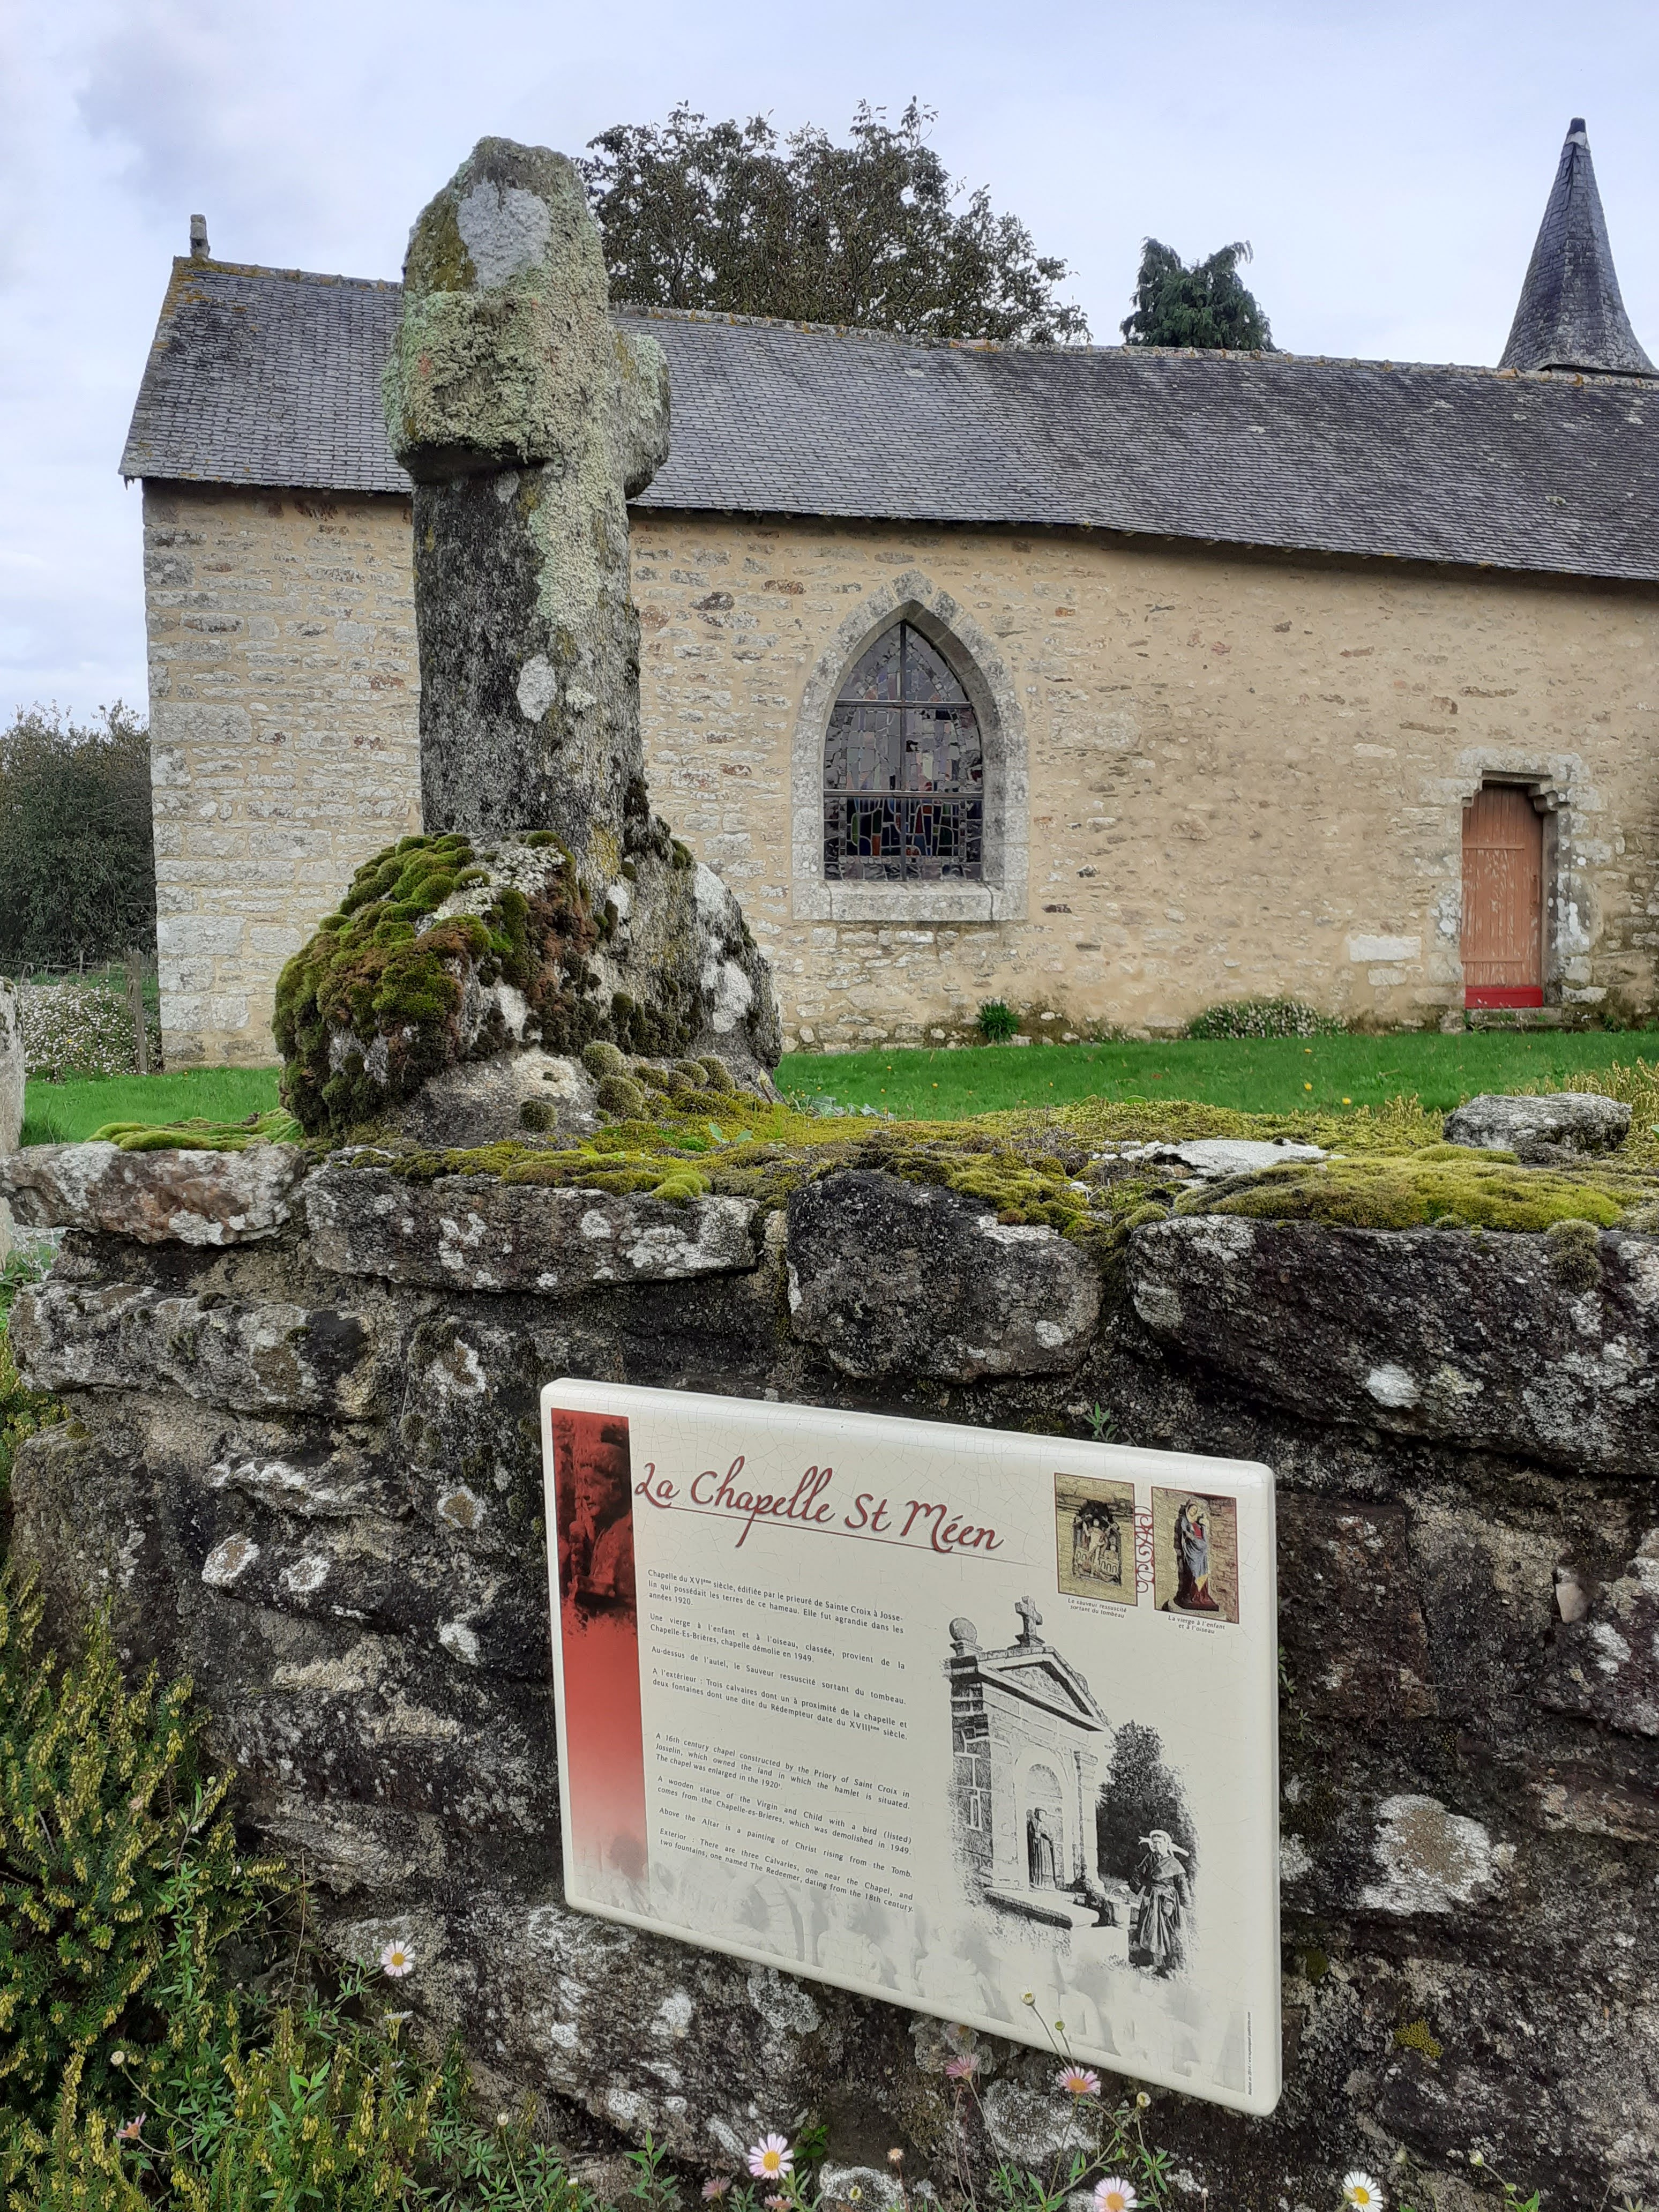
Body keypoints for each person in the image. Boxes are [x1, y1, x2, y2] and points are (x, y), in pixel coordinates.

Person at [1129, 1828, 1191, 1975]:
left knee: (1163, 1932)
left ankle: (1163, 1964)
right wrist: (1131, 1886)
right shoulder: (1150, 1858)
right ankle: (1149, 1961)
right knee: (1147, 1929)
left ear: (1167, 1844)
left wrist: (1183, 1904)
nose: (1157, 1846)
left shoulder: (1174, 1864)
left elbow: (1182, 1885)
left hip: (1166, 1901)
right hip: (1150, 1898)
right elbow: (1139, 1875)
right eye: (1154, 1843)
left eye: (1159, 1843)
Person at [1027, 1806, 1060, 1888]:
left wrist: (1050, 1838)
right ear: (1037, 1814)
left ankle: (1048, 1883)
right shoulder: (1034, 1823)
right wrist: (1036, 1835)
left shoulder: (1047, 1826)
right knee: (1040, 1861)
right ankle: (1039, 1881)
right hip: (1039, 1845)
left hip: (1047, 1846)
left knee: (1047, 1862)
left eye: (1043, 1815)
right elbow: (1032, 1833)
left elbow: (1051, 1836)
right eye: (1040, 1814)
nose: (1042, 1816)